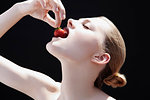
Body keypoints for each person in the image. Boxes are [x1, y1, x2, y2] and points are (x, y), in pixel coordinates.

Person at [0, 0, 127, 100]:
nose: (71, 21)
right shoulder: (45, 90)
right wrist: (20, 9)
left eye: (86, 26)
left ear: (100, 57)